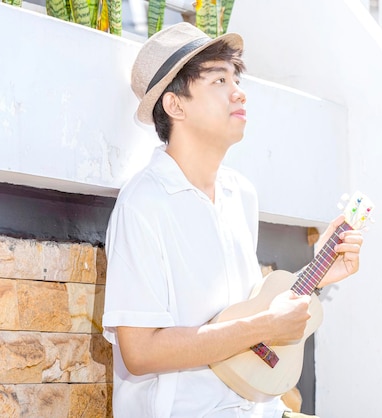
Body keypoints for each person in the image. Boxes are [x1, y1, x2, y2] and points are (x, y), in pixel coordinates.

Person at [102, 22, 364, 418]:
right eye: (219, 80)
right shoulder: (144, 203)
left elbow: (245, 309)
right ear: (175, 105)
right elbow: (139, 352)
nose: (238, 91)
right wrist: (264, 328)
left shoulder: (240, 193)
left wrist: (321, 268)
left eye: (236, 78)